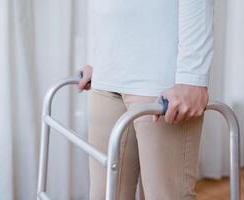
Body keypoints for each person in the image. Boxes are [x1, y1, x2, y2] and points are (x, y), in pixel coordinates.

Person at [78, 0, 213, 199]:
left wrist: (192, 77)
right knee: (105, 194)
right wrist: (99, 59)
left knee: (164, 194)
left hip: (160, 86)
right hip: (106, 79)